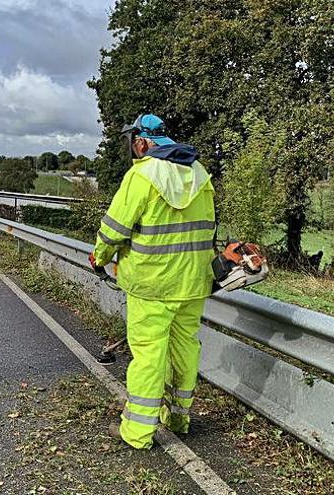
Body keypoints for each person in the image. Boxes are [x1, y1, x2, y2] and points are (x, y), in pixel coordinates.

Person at [91, 114, 215, 448]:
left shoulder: (142, 175)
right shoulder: (201, 175)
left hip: (152, 285)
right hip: (192, 284)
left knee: (148, 356)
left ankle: (138, 433)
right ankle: (178, 417)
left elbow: (114, 230)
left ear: (143, 142)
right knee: (185, 349)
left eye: (133, 143)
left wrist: (100, 256)